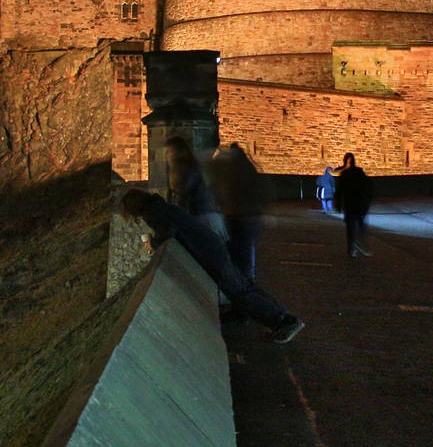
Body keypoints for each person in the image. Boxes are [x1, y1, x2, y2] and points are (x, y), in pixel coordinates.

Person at [121, 189, 304, 343]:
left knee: (239, 290)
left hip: (206, 251)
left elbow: (166, 233)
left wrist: (152, 243)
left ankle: (282, 321)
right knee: (242, 286)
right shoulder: (160, 206)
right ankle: (267, 316)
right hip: (211, 245)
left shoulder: (153, 213)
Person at [210, 143, 267, 280]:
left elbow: (222, 193)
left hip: (237, 216)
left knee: (237, 251)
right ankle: (246, 278)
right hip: (247, 217)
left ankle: (241, 280)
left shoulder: (232, 172)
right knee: (245, 250)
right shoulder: (248, 169)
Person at [163, 135, 217, 223]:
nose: (167, 156)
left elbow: (184, 196)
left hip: (200, 216)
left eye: (169, 151)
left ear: (177, 152)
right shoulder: (180, 169)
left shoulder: (186, 170)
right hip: (200, 215)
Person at [336, 152, 373, 258]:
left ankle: (351, 248)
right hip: (360, 204)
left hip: (350, 205)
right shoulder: (359, 172)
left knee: (350, 228)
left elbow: (339, 191)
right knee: (361, 226)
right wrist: (367, 201)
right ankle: (359, 244)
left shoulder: (345, 174)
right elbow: (368, 186)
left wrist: (338, 205)